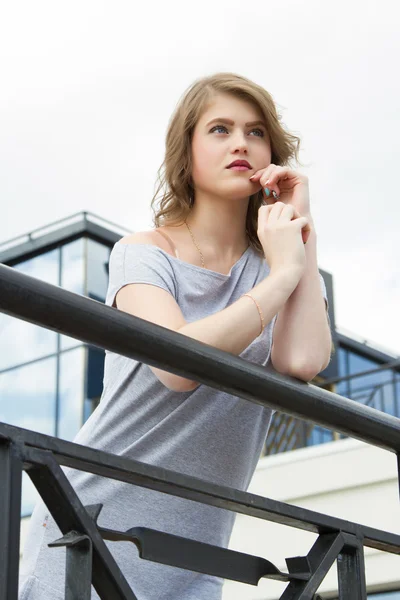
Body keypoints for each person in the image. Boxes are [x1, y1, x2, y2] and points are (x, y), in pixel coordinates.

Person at [19, 72, 332, 600]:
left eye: (256, 132)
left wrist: (302, 231)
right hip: (91, 524)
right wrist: (282, 277)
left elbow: (302, 360)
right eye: (219, 129)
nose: (241, 143)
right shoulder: (143, 252)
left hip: (195, 553)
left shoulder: (279, 262)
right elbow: (178, 364)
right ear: (186, 153)